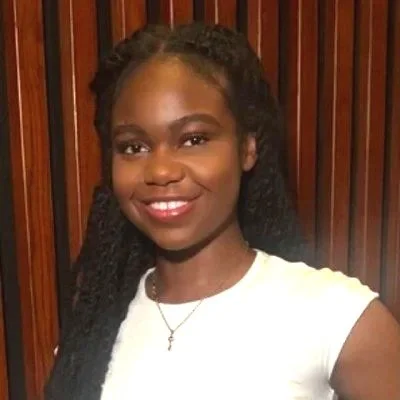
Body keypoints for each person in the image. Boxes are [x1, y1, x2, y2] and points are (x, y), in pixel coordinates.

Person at [45, 23, 400, 400]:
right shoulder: (94, 331)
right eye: (134, 147)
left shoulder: (335, 317)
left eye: (194, 139)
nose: (161, 171)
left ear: (247, 149)